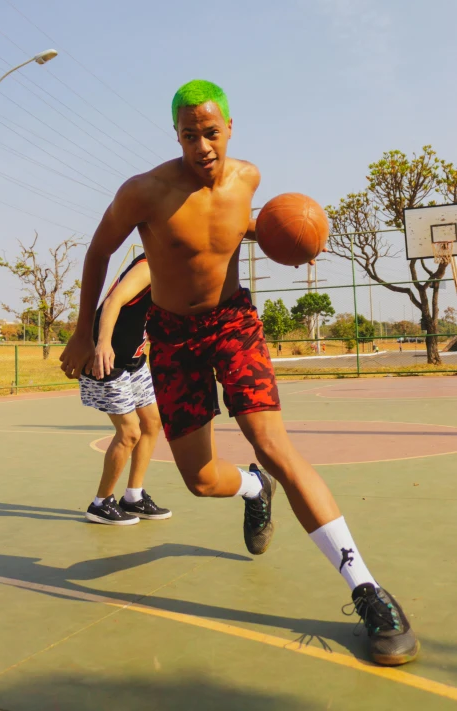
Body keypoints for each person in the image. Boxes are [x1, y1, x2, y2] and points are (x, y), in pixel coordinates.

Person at [61, 80, 418, 666]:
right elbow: (99, 252)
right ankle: (254, 488)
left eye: (211, 132)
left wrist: (287, 235)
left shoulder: (248, 179)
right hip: (172, 337)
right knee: (201, 481)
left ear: (229, 128)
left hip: (233, 323)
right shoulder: (144, 192)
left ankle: (368, 590)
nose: (201, 144)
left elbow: (232, 227)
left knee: (274, 444)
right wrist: (83, 330)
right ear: (175, 136)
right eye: (188, 134)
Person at [79, 252, 171, 525]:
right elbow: (113, 301)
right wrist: (103, 343)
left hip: (134, 361)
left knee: (152, 423)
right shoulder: (150, 265)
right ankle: (101, 503)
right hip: (108, 360)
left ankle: (133, 496)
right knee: (129, 432)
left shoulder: (174, 268)